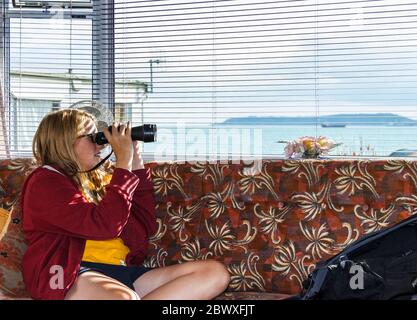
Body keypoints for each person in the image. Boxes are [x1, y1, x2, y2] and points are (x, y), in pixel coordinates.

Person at [21, 108, 230, 300]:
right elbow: (104, 225)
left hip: (119, 271)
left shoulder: (100, 177)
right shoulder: (45, 181)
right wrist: (122, 163)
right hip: (69, 273)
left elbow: (143, 226)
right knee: (125, 298)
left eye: (100, 137)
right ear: (64, 141)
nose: (101, 144)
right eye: (92, 137)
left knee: (213, 274)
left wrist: (135, 159)